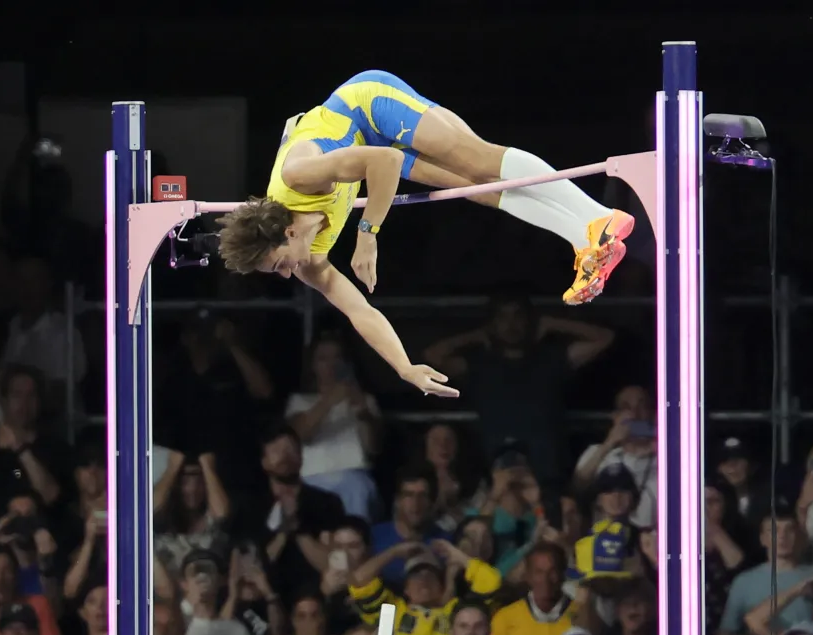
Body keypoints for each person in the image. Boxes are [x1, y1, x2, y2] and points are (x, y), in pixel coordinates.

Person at [215, 71, 635, 394]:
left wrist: (368, 232)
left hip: (365, 105)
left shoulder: (300, 175)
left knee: (479, 163)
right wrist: (403, 366)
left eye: (280, 264)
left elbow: (383, 162)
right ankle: (583, 237)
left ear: (287, 232)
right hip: (368, 145)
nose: (289, 274)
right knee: (477, 190)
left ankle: (598, 215)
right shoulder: (311, 260)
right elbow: (360, 312)